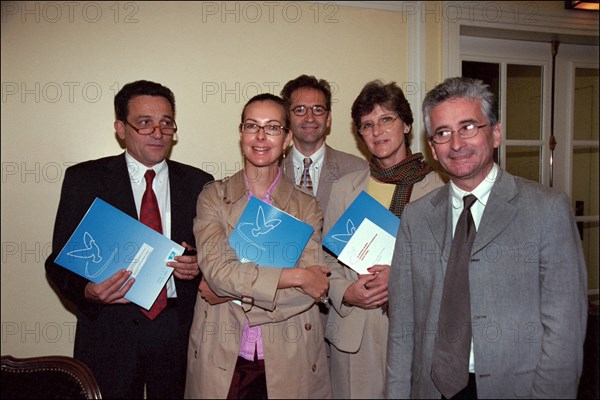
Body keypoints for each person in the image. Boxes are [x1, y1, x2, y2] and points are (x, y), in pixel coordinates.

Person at [386, 77, 588, 399]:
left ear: (495, 134)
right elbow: (401, 329)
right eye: (443, 133)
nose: (456, 143)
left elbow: (564, 331)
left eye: (468, 127)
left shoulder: (547, 209)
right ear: (433, 149)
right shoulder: (416, 217)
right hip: (431, 388)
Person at [45, 80, 214, 398]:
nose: (158, 132)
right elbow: (58, 261)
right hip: (110, 331)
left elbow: (215, 257)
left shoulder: (200, 183)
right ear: (120, 129)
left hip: (178, 330)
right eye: (145, 122)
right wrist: (88, 291)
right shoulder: (85, 179)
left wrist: (197, 266)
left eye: (166, 123)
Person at [185, 93, 332, 399]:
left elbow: (310, 291)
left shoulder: (306, 207)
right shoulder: (213, 197)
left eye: (273, 128)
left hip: (289, 355)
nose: (261, 136)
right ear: (241, 134)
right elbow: (217, 271)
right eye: (252, 126)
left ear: (288, 138)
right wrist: (296, 276)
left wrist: (231, 293)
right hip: (222, 352)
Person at [324, 80, 445, 398]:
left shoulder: (439, 191)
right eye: (367, 124)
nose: (377, 131)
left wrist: (401, 275)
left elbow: (451, 266)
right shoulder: (345, 189)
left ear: (406, 124)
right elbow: (325, 261)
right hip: (355, 335)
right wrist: (347, 292)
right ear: (360, 134)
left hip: (414, 333)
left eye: (386, 119)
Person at [280, 74, 368, 212]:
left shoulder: (359, 170)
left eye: (318, 110)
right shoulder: (272, 170)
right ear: (287, 118)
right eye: (300, 110)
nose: (309, 118)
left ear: (328, 119)